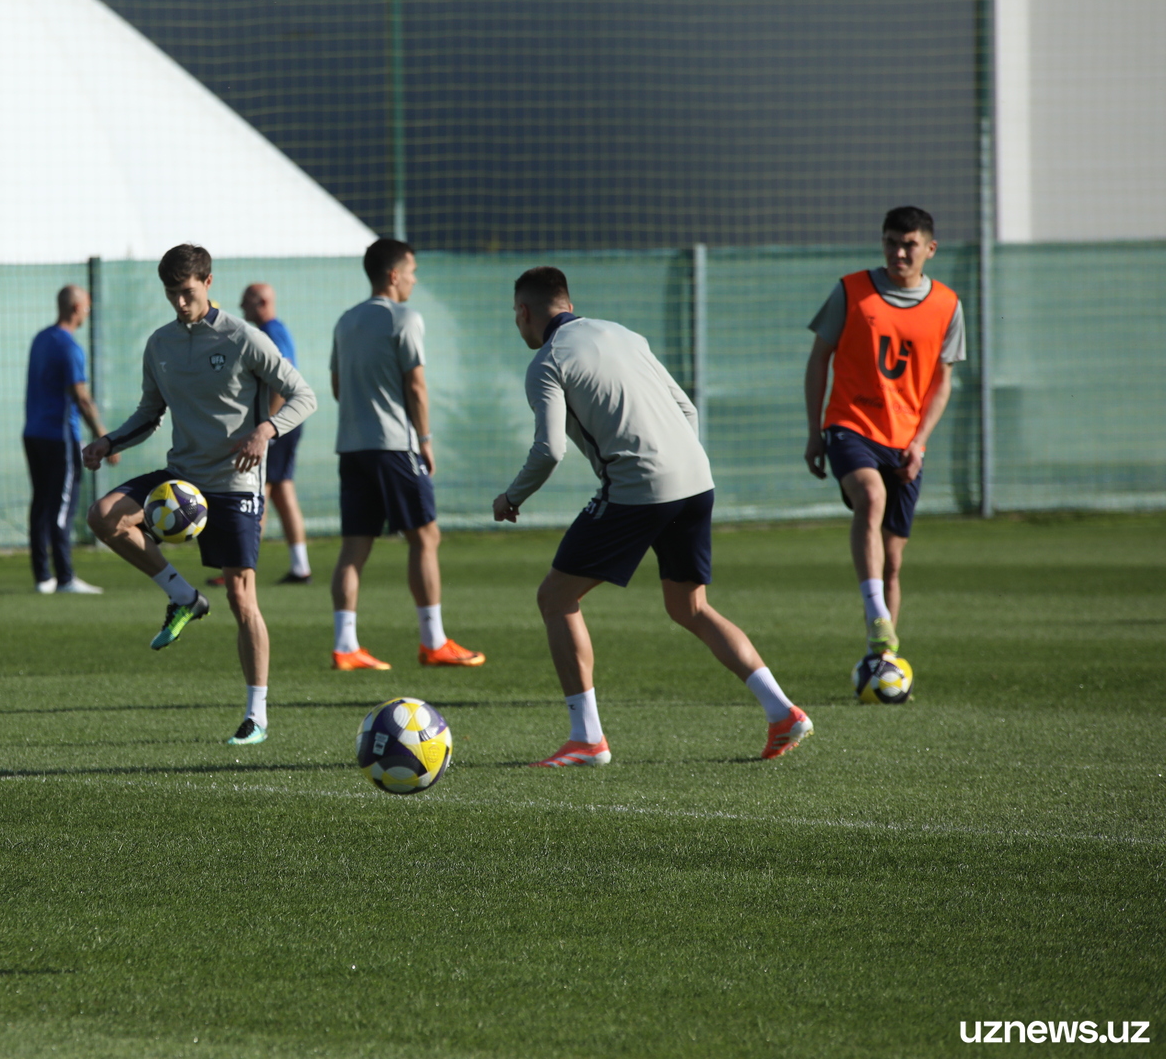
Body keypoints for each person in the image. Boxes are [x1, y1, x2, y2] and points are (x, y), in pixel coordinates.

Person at [494, 266, 811, 766]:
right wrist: (676, 467)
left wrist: (511, 497)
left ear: (525, 311)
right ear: (569, 304)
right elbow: (687, 410)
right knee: (690, 607)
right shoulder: (623, 334)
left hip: (641, 487)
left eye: (516, 315)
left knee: (555, 597)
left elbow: (550, 449)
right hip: (696, 479)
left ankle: (587, 739)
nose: (517, 324)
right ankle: (781, 711)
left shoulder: (547, 361)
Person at [81, 244, 316, 746]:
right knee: (103, 516)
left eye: (187, 292)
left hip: (235, 483)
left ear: (208, 283)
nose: (180, 302)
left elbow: (304, 395)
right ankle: (183, 596)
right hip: (182, 479)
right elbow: (149, 414)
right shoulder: (160, 344)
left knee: (241, 597)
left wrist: (266, 430)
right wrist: (108, 442)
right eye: (171, 294)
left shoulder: (243, 338)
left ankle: (256, 716)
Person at [803, 205, 964, 660]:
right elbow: (818, 359)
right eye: (891, 243)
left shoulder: (948, 305)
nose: (899, 253)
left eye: (909, 245)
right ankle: (877, 615)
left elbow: (942, 383)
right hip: (850, 425)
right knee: (870, 497)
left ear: (930, 249)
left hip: (905, 441)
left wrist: (919, 443)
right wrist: (815, 432)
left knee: (893, 562)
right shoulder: (851, 291)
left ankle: (882, 660)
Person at [328, 239, 484, 671]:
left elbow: (339, 387)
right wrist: (425, 439)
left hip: (352, 446)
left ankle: (345, 647)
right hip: (395, 445)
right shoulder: (405, 317)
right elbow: (416, 385)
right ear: (394, 275)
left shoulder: (346, 320)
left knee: (354, 547)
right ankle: (433, 642)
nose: (414, 280)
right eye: (412, 272)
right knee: (425, 537)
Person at [23, 286, 113, 595]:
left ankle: (42, 576)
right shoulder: (69, 346)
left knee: (41, 504)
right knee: (62, 505)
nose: (88, 311)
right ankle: (65, 577)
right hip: (59, 437)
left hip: (33, 433)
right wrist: (104, 437)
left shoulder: (41, 338)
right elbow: (81, 397)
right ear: (76, 308)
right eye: (87, 306)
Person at [238, 283, 313, 585]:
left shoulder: (271, 332)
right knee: (281, 491)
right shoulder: (271, 330)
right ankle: (300, 566)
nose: (241, 307)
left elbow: (283, 382)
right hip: (284, 423)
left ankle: (242, 568)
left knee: (258, 491)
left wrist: (267, 426)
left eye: (246, 301)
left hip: (279, 424)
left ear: (262, 302)